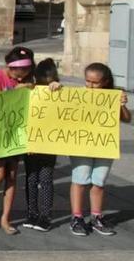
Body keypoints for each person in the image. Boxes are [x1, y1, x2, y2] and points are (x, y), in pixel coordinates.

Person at [68, 62, 131, 236]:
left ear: (105, 81)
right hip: (81, 144)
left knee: (99, 181)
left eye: (95, 82)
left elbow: (126, 118)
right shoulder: (78, 94)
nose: (91, 86)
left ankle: (96, 216)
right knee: (80, 179)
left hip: (103, 144)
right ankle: (77, 217)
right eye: (88, 81)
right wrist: (54, 86)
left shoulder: (113, 95)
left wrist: (121, 104)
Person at [0, 46, 35, 235]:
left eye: (26, 73)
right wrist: (17, 90)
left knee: (12, 175)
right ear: (10, 67)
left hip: (17, 132)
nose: (21, 77)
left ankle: (6, 217)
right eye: (18, 73)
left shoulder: (29, 79)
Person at [22, 58, 62, 233]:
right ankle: (32, 213)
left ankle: (45, 216)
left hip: (49, 145)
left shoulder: (60, 91)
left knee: (45, 180)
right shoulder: (31, 90)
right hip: (32, 143)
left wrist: (57, 88)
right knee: (31, 179)